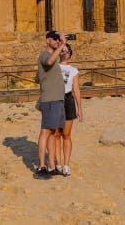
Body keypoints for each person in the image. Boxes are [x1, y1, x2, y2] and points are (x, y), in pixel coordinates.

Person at [34, 31, 66, 179]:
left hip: (57, 99)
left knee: (53, 133)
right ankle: (41, 167)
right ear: (47, 41)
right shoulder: (44, 55)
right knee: (45, 132)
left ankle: (52, 166)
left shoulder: (52, 57)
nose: (57, 42)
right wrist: (63, 45)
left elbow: (37, 77)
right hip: (50, 100)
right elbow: (48, 62)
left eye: (58, 40)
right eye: (55, 39)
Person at [55, 44, 83, 177]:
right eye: (62, 50)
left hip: (68, 101)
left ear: (70, 53)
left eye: (67, 50)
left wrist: (80, 108)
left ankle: (66, 165)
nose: (64, 52)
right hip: (55, 100)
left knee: (66, 134)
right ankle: (58, 164)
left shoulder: (74, 70)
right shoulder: (54, 67)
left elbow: (76, 89)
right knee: (56, 134)